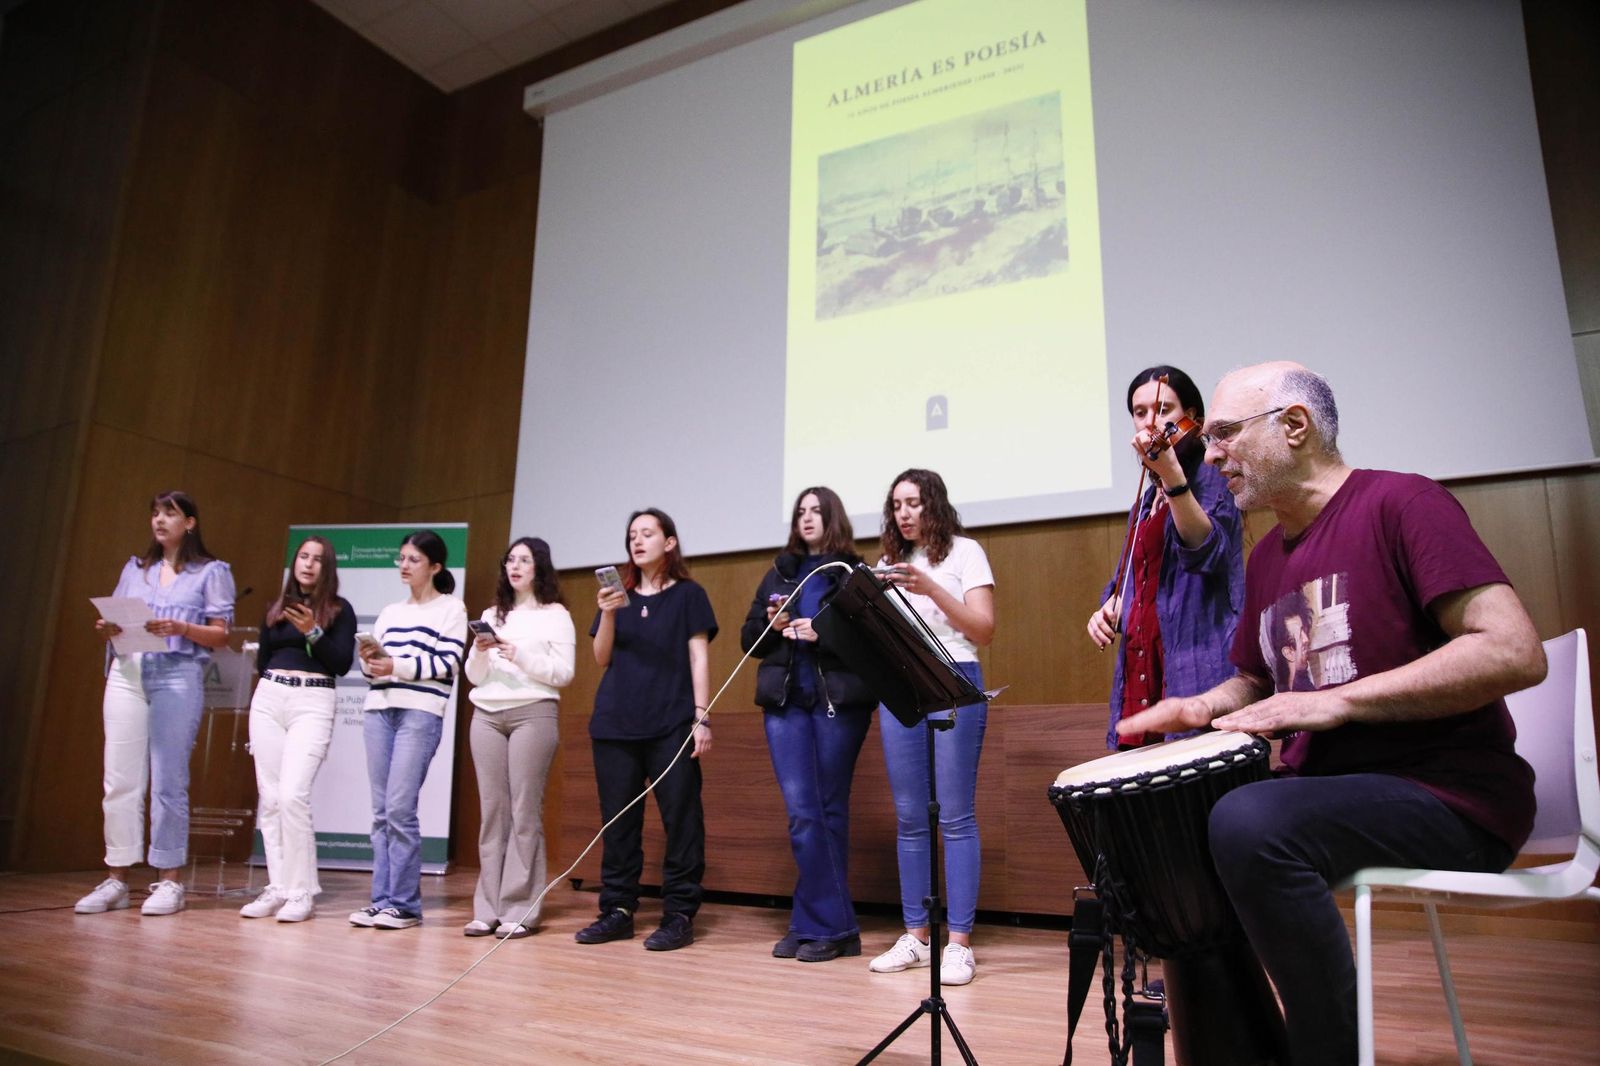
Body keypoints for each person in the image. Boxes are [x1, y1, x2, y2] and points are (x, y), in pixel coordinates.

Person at [1116, 361, 1545, 1066]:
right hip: (1332, 796)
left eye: (1224, 434)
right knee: (1179, 828)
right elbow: (1254, 682)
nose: (1210, 454)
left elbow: (1513, 651)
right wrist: (1200, 705)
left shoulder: (1403, 504)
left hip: (1451, 797)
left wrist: (1337, 700)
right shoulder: (1267, 560)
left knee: (1250, 821)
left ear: (1295, 426)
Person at [76, 490, 235, 918]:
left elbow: (221, 634)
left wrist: (182, 627)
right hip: (127, 671)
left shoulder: (211, 572)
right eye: (155, 513)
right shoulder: (136, 568)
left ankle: (169, 880)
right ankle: (116, 878)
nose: (159, 520)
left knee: (169, 779)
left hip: (177, 675)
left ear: (190, 522)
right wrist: (107, 627)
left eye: (170, 513)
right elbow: (114, 618)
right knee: (119, 779)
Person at [867, 469, 995, 986]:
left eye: (914, 503)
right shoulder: (888, 564)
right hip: (900, 684)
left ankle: (958, 944)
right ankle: (917, 937)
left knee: (956, 815)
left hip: (954, 675)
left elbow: (983, 628)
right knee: (909, 817)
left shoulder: (965, 552)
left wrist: (929, 588)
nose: (904, 513)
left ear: (934, 504)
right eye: (896, 504)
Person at [740, 487, 876, 963]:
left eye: (816, 510)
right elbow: (749, 641)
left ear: (833, 517)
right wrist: (773, 625)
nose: (807, 517)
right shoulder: (780, 571)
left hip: (838, 704)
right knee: (803, 813)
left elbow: (872, 640)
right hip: (786, 705)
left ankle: (818, 924)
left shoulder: (851, 572)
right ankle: (831, 926)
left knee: (827, 810)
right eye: (801, 511)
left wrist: (823, 634)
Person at [575, 508, 717, 952]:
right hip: (615, 724)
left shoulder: (690, 595)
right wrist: (608, 614)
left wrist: (701, 716)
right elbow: (601, 657)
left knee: (682, 820)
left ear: (669, 542)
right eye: (632, 535)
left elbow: (698, 657)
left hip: (671, 723)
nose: (637, 541)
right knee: (618, 823)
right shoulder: (617, 596)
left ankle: (679, 914)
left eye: (647, 533)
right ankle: (617, 910)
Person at [1087, 365, 1244, 749]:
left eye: (1163, 409)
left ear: (1192, 417)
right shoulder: (1144, 502)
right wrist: (1108, 608)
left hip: (1196, 664)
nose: (1150, 421)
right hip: (1142, 665)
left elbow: (1207, 552)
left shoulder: (1214, 479)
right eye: (1139, 412)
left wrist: (1173, 478)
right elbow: (1129, 579)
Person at [350, 530, 467, 930]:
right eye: (401, 558)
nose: (404, 565)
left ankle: (404, 904)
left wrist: (394, 666)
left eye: (413, 559)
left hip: (420, 712)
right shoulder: (390, 611)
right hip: (379, 709)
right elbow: (373, 668)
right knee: (381, 811)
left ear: (435, 566)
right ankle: (381, 900)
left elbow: (448, 663)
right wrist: (370, 662)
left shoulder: (451, 608)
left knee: (400, 808)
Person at [462, 537, 575, 939]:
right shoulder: (492, 614)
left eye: (524, 560)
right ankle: (487, 908)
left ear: (539, 567)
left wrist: (519, 655)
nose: (515, 566)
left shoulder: (556, 615)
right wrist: (480, 651)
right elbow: (474, 676)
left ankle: (520, 909)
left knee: (525, 811)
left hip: (533, 713)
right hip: (486, 714)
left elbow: (564, 673)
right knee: (493, 812)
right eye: (510, 559)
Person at [239, 535, 356, 923]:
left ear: (328, 567)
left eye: (317, 559)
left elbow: (341, 663)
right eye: (303, 556)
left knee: (292, 795)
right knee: (270, 798)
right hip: (270, 698)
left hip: (313, 700)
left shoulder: (339, 610)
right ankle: (278, 886)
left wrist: (312, 631)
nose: (308, 564)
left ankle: (301, 891)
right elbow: (264, 659)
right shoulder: (276, 608)